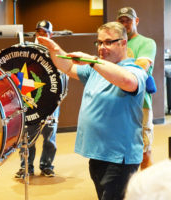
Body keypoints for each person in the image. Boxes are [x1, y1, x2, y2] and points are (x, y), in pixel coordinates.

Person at [38, 22, 147, 200]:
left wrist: (92, 61)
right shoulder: (97, 69)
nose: (102, 48)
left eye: (108, 42)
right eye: (99, 43)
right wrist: (54, 47)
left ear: (123, 43)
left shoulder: (134, 70)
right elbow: (67, 67)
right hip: (98, 155)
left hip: (119, 159)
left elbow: (128, 82)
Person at [15, 20, 59, 178]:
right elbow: (19, 73)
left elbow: (63, 76)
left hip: (51, 100)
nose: (41, 36)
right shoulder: (27, 50)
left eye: (44, 32)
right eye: (38, 32)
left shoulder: (55, 51)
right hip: (30, 99)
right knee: (27, 135)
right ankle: (26, 167)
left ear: (51, 34)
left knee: (49, 135)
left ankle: (47, 166)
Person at [117, 7, 157, 170]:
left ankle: (146, 191)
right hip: (118, 103)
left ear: (136, 21)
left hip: (141, 105)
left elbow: (141, 67)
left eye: (128, 20)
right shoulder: (116, 43)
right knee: (122, 152)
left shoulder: (147, 43)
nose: (125, 23)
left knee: (143, 152)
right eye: (121, 20)